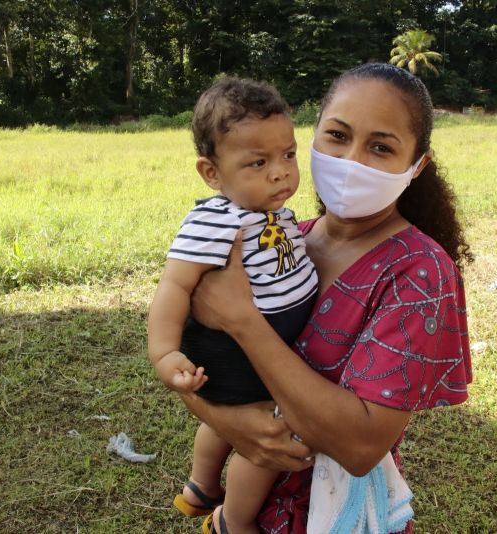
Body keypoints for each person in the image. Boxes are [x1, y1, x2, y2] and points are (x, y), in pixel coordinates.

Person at [182, 62, 474, 533]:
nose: (352, 160)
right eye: (337, 136)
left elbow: (360, 448)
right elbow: (191, 367)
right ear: (311, 137)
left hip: (332, 515)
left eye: (381, 147)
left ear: (416, 166)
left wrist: (244, 322)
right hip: (247, 507)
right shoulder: (284, 239)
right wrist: (234, 426)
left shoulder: (418, 274)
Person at [147, 77, 318, 534]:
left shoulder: (273, 209)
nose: (281, 172)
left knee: (227, 423)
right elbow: (174, 288)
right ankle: (234, 522)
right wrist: (164, 353)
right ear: (212, 173)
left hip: (259, 344)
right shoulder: (215, 219)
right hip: (237, 352)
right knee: (266, 439)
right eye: (258, 162)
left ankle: (201, 487)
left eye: (288, 154)